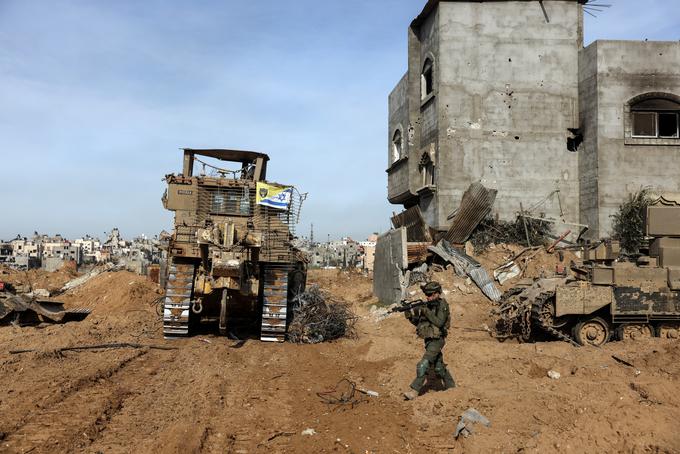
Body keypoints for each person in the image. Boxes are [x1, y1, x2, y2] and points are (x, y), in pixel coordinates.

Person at [403, 281, 456, 400]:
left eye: (431, 294)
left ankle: (414, 390)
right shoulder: (428, 305)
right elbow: (420, 324)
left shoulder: (442, 305)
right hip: (428, 341)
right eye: (427, 295)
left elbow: (439, 322)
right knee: (438, 368)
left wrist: (426, 311)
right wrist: (410, 315)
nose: (428, 297)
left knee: (423, 365)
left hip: (437, 340)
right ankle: (452, 388)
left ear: (437, 293)